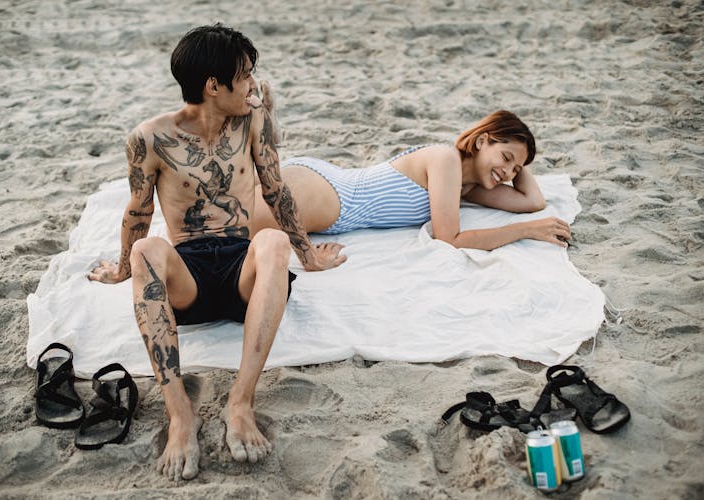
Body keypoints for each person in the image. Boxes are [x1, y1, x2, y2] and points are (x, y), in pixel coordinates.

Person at [87, 25, 346, 481]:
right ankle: (180, 417)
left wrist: (307, 255)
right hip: (188, 278)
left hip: (242, 267)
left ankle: (240, 402)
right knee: (150, 248)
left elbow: (277, 190)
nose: (252, 84)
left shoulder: (252, 119)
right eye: (244, 75)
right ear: (213, 85)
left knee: (273, 241)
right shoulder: (149, 138)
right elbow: (138, 212)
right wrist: (124, 268)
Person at [252, 110, 571, 250]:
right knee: (220, 227)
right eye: (505, 158)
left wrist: (518, 158)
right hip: (328, 193)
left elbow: (533, 202)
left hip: (326, 194)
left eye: (516, 171)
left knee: (219, 220)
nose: (509, 174)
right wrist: (528, 231)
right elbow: (450, 240)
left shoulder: (468, 188)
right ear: (482, 140)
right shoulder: (445, 159)